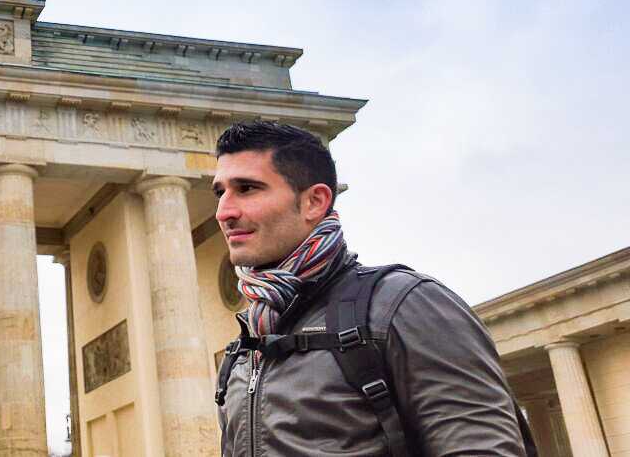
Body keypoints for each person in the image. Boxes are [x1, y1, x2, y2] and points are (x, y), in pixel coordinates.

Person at [212, 120, 535, 456]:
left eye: (247, 188)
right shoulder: (245, 347)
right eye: (220, 192)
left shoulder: (403, 305)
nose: (224, 212)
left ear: (314, 201)